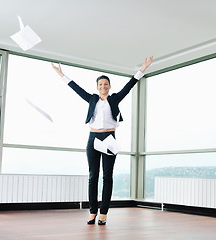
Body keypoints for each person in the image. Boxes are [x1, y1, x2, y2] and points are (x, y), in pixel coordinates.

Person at [51, 56, 153, 225]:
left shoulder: (114, 99)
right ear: (97, 87)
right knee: (93, 176)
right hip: (93, 138)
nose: (103, 86)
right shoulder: (92, 99)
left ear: (109, 86)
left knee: (108, 176)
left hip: (109, 138)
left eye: (106, 84)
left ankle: (103, 213)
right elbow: (75, 88)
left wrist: (142, 69)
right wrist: (61, 74)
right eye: (100, 84)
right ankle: (92, 211)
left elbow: (129, 86)